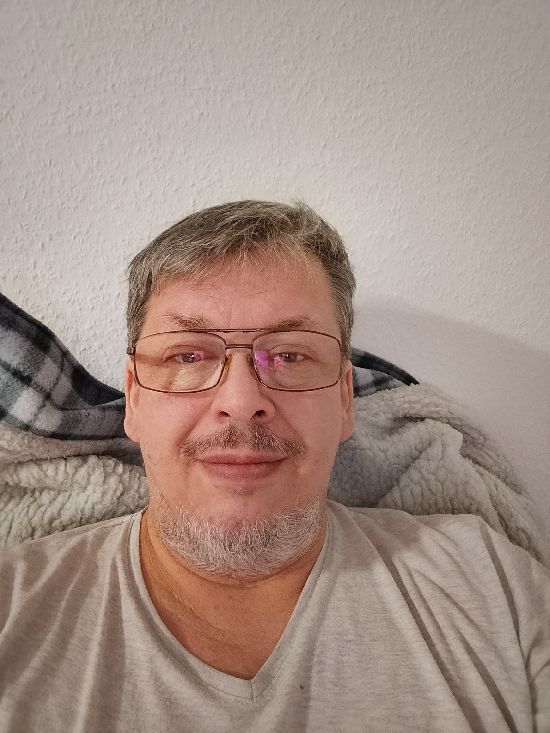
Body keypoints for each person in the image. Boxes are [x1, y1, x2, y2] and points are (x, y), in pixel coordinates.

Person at [0, 200, 549, 732]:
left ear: (345, 400)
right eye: (187, 355)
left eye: (290, 355)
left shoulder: (493, 590)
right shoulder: (12, 610)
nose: (241, 401)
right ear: (134, 399)